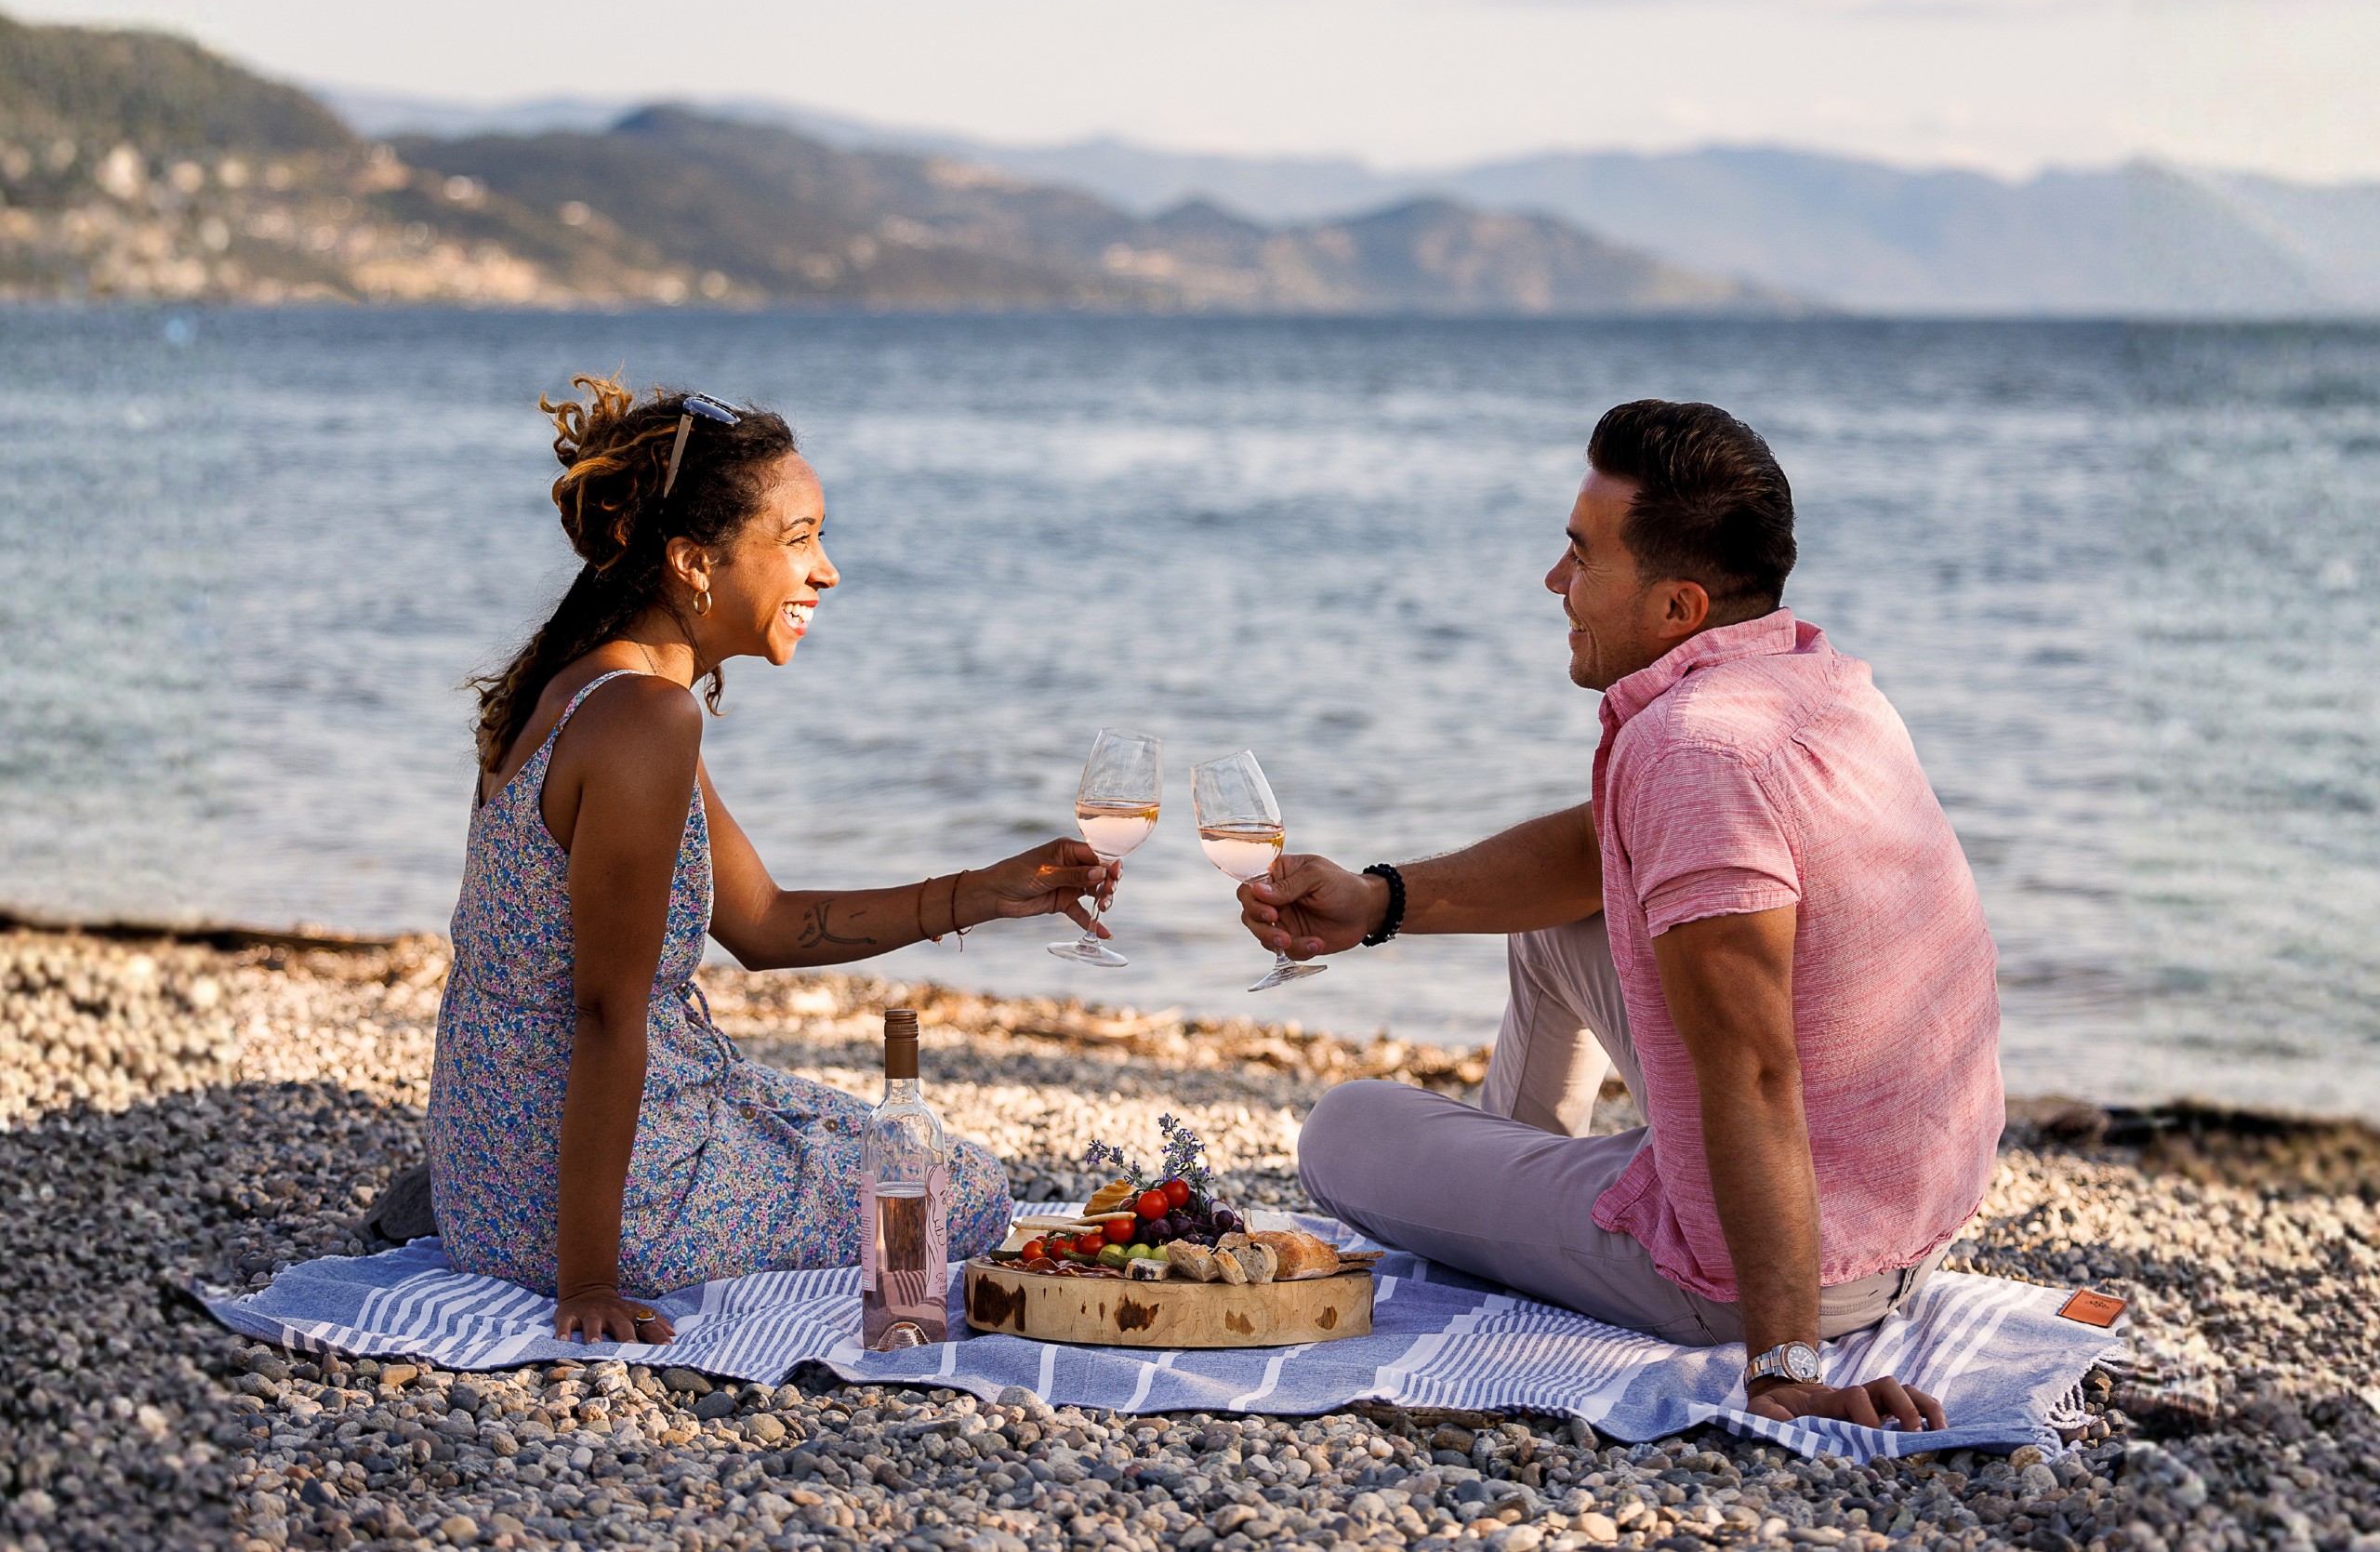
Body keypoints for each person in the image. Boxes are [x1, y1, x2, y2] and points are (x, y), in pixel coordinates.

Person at [1244, 400, 2002, 1433]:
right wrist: (1378, 902)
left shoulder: (1690, 749)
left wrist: (1783, 1367)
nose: (1554, 583)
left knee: (1343, 1130)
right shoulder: (1812, 684)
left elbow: (1751, 1067)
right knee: (1560, 917)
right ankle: (1515, 1191)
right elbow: (1598, 845)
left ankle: (1526, 1220)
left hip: (1768, 1272)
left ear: (1679, 606)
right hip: (1898, 1215)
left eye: (1580, 556)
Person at [429, 376, 1115, 1346]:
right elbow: (605, 1009)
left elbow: (762, 923)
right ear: (693, 563)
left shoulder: (591, 685)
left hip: (493, 1167)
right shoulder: (643, 718)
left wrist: (984, 894)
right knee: (957, 1193)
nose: (826, 571)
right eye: (798, 540)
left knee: (867, 1140)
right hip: (598, 1198)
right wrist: (586, 1281)